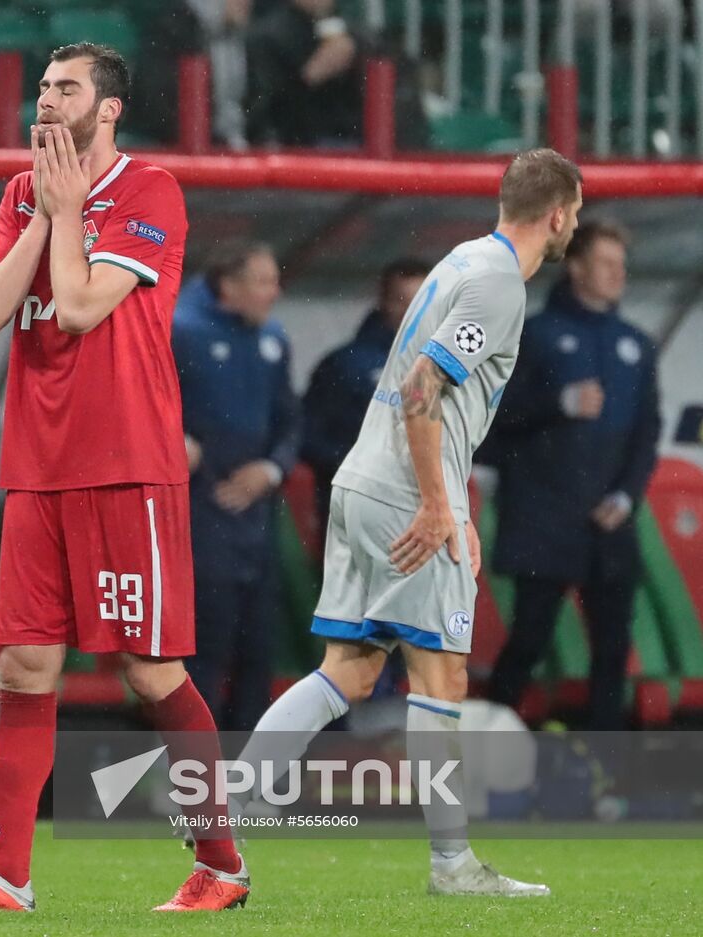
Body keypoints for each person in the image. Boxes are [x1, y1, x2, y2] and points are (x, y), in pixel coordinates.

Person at [0, 43, 249, 913]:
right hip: (37, 466)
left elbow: (78, 306)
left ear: (107, 110)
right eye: (42, 88)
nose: (46, 100)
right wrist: (42, 212)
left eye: (66, 89)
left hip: (126, 465)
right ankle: (6, 878)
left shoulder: (151, 190)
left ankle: (222, 863)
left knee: (150, 674)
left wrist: (67, 213)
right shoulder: (23, 193)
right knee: (23, 669)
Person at [231, 148, 583, 897]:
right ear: (557, 213)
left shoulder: (461, 259)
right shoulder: (499, 286)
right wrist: (436, 501)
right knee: (441, 673)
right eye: (575, 214)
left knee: (349, 671)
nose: (573, 228)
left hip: (363, 479)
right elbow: (425, 390)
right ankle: (452, 865)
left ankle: (227, 811)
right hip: (403, 490)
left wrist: (448, 493)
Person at [487, 221, 661, 730]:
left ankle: (606, 774)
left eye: (621, 265)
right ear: (577, 267)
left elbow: (646, 432)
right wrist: (557, 404)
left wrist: (628, 496)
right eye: (606, 264)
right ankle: (478, 755)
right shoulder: (534, 334)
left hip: (608, 522)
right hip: (544, 518)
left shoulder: (636, 344)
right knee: (529, 641)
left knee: (612, 651)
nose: (617, 274)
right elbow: (493, 418)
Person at [172, 243, 299, 731]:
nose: (275, 293)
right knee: (203, 650)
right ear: (229, 286)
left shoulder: (273, 338)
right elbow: (133, 401)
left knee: (259, 650)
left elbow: (291, 421)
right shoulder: (179, 329)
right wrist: (172, 440)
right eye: (264, 282)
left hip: (258, 517)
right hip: (197, 514)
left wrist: (270, 469)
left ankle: (247, 774)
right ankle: (191, 774)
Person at [302, 258, 433, 535]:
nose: (414, 312)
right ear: (385, 302)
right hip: (360, 514)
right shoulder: (345, 365)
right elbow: (310, 435)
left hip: (427, 516)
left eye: (423, 301)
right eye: (403, 300)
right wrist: (364, 467)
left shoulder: (449, 364)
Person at [245, 0, 364, 147]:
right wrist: (310, 76)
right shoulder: (270, 35)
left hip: (351, 141)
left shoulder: (349, 30)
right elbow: (266, 106)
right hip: (297, 143)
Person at [186, 0, 253, 149]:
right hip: (181, 147)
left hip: (234, 143)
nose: (247, 3)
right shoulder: (180, 32)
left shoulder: (246, 39)